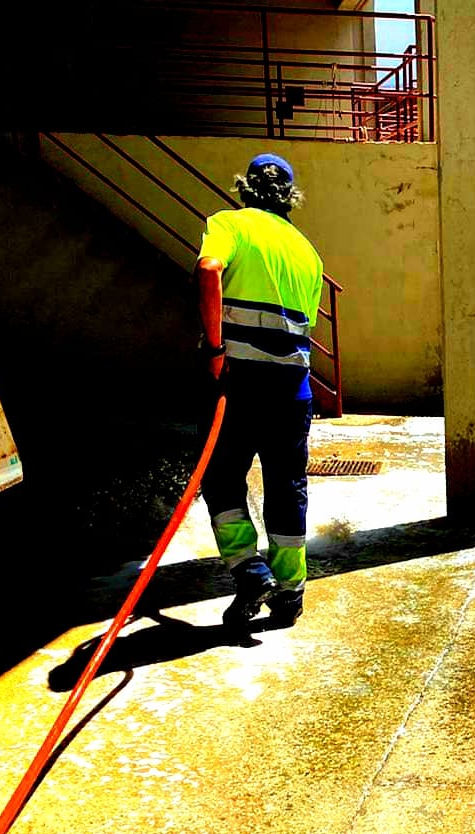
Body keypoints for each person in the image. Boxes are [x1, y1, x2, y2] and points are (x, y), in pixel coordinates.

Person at [196, 153, 324, 627]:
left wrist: (214, 349)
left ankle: (250, 570)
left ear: (244, 188)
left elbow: (210, 270)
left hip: (239, 383)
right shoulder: (307, 252)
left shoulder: (229, 223)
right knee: (286, 488)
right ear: (290, 199)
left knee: (221, 478)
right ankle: (289, 594)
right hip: (292, 388)